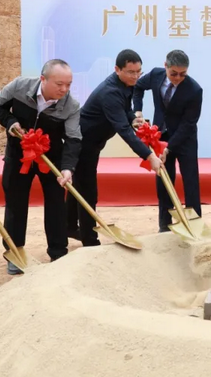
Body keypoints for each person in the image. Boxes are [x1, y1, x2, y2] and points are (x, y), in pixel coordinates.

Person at [0, 59, 81, 274]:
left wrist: (67, 168)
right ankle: (14, 252)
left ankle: (58, 252)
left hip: (50, 158)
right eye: (59, 84)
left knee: (56, 204)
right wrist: (10, 122)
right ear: (43, 79)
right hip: (19, 155)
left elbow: (73, 139)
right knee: (15, 203)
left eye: (69, 84)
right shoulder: (19, 87)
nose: (64, 89)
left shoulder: (71, 106)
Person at [67, 49, 157, 246]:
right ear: (117, 69)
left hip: (94, 142)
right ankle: (90, 241)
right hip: (82, 143)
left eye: (138, 72)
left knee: (80, 185)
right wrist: (149, 155)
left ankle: (69, 225)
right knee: (88, 190)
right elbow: (123, 130)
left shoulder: (126, 84)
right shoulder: (110, 92)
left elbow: (125, 110)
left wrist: (134, 118)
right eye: (131, 72)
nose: (135, 76)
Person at [133, 50, 203, 232]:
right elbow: (138, 87)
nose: (178, 78)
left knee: (190, 181)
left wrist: (170, 147)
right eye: (174, 73)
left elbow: (189, 123)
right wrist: (138, 110)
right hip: (159, 136)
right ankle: (165, 225)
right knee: (164, 180)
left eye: (183, 74)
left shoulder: (194, 90)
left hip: (185, 139)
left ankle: (194, 225)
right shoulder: (156, 75)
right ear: (166, 66)